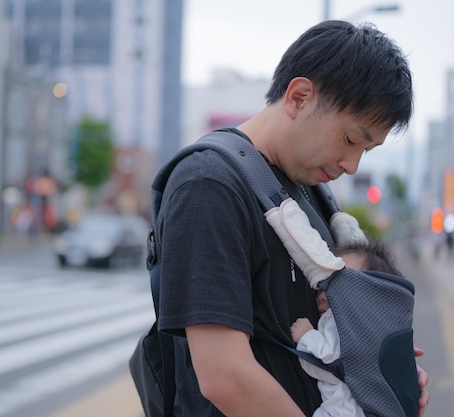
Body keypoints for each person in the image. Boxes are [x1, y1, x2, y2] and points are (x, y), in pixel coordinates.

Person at [155, 20, 429, 417]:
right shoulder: (208, 184)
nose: (352, 165)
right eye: (351, 139)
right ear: (299, 97)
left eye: (367, 151)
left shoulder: (309, 189)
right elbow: (223, 374)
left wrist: (376, 376)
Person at [290, 240, 403, 417]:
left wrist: (307, 337)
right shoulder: (372, 328)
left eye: (339, 287)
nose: (322, 296)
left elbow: (327, 364)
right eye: (321, 287)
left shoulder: (343, 325)